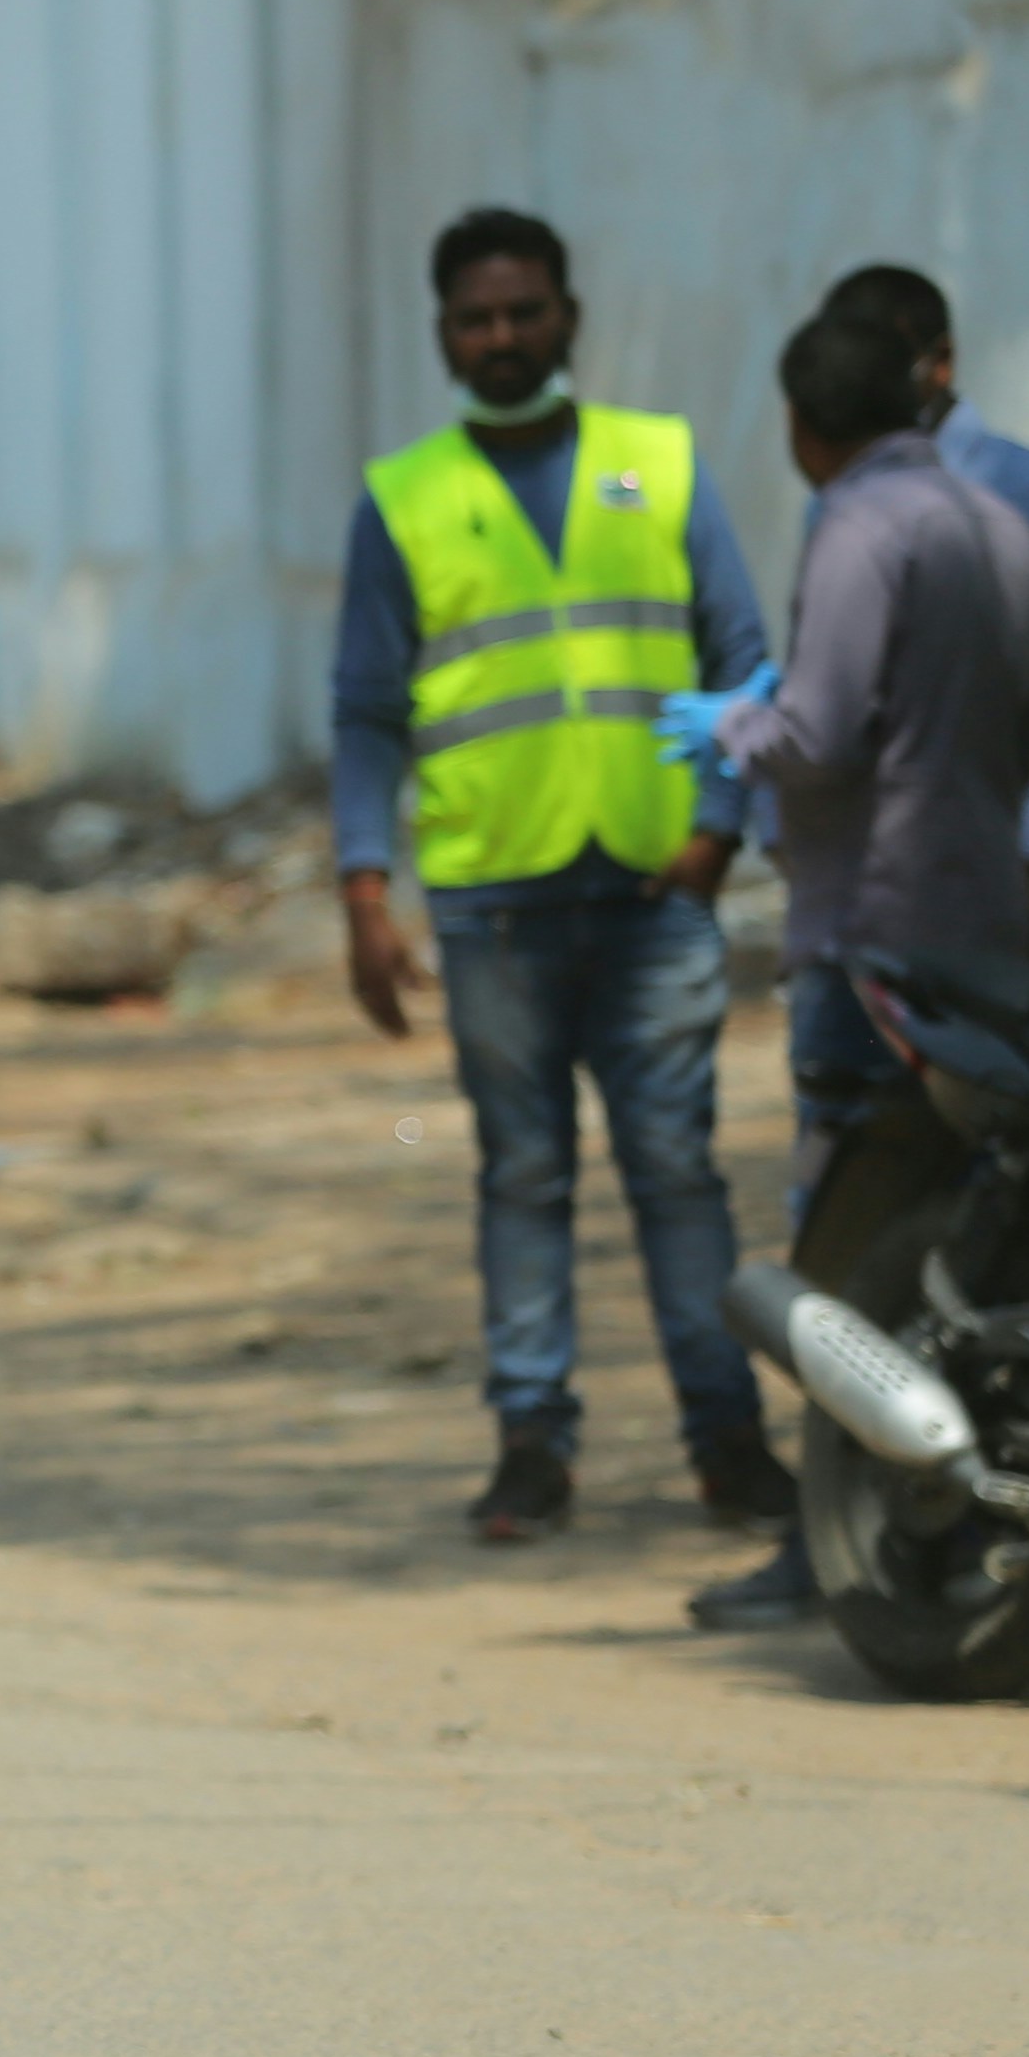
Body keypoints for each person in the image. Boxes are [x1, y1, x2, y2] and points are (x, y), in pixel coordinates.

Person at [328, 209, 785, 1548]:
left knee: (679, 1176)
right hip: (496, 906)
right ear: (444, 335)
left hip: (654, 894)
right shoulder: (403, 499)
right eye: (478, 318)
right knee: (522, 1178)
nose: (504, 336)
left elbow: (739, 653)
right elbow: (367, 711)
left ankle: (730, 1441)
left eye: (525, 310)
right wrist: (366, 888)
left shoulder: (661, 463)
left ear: (569, 316)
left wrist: (719, 826)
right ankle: (532, 1445)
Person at [660, 296, 1029, 1627]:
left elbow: (819, 732)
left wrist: (735, 727)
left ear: (803, 427)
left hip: (868, 935)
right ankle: (962, 1518)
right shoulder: (1002, 524)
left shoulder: (858, 528)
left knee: (843, 1250)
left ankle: (835, 1536)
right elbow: (1027, 720)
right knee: (969, 1242)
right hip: (987, 928)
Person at [801, 264, 1029, 966]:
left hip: (995, 876)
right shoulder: (832, 498)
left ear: (939, 364)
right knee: (849, 1075)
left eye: (884, 364)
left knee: (991, 1072)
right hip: (860, 883)